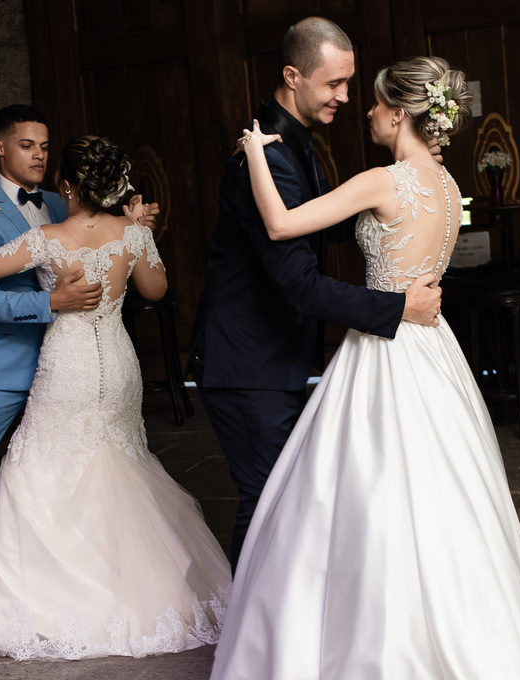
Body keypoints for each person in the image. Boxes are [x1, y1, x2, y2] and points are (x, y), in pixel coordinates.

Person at [205, 57, 520, 680]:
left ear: (397, 112)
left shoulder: (384, 181)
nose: (363, 111)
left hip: (383, 353)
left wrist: (255, 152)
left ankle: (365, 677)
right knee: (440, 501)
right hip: (431, 349)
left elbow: (281, 222)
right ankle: (450, 665)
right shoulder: (448, 187)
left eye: (373, 103)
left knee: (364, 502)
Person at [0, 135, 231, 660]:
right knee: (119, 462)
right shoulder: (131, 233)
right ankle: (138, 595)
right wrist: (141, 235)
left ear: (68, 187)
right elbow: (155, 290)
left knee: (41, 465)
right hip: (119, 363)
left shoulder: (47, 237)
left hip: (69, 364)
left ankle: (64, 598)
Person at [189, 17, 443, 572]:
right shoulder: (267, 154)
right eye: (334, 84)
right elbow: (297, 282)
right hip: (247, 361)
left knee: (287, 503)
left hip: (275, 356)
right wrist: (397, 307)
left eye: (349, 83)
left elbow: (325, 223)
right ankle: (247, 625)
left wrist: (407, 189)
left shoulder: (297, 143)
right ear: (292, 76)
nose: (346, 97)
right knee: (268, 506)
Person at [0, 105, 156, 637]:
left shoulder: (68, 200)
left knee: (75, 476)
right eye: (26, 145)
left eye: (44, 146)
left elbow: (107, 240)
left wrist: (135, 226)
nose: (38, 155)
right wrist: (49, 304)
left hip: (66, 371)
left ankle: (73, 590)